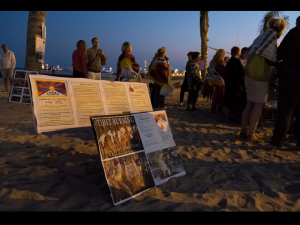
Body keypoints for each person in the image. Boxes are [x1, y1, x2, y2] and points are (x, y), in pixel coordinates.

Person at [241, 17, 287, 143]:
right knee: (258, 106)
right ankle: (252, 134)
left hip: (250, 73)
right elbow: (273, 58)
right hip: (259, 75)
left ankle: (243, 131)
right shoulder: (273, 39)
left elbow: (250, 52)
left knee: (249, 103)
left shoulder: (260, 37)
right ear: (281, 28)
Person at [266, 16, 300, 150]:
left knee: (286, 112)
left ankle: (277, 142)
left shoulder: (294, 33)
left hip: (292, 77)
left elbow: (279, 54)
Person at [224, 46, 246, 121]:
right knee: (233, 99)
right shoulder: (237, 61)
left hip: (228, 83)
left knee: (228, 99)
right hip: (235, 83)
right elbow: (241, 73)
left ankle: (226, 116)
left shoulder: (229, 62)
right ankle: (232, 116)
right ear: (238, 52)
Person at [210, 49, 227, 113]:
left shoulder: (213, 61)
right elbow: (223, 71)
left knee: (216, 95)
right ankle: (218, 110)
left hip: (215, 80)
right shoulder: (220, 62)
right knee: (221, 95)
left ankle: (213, 109)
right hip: (220, 80)